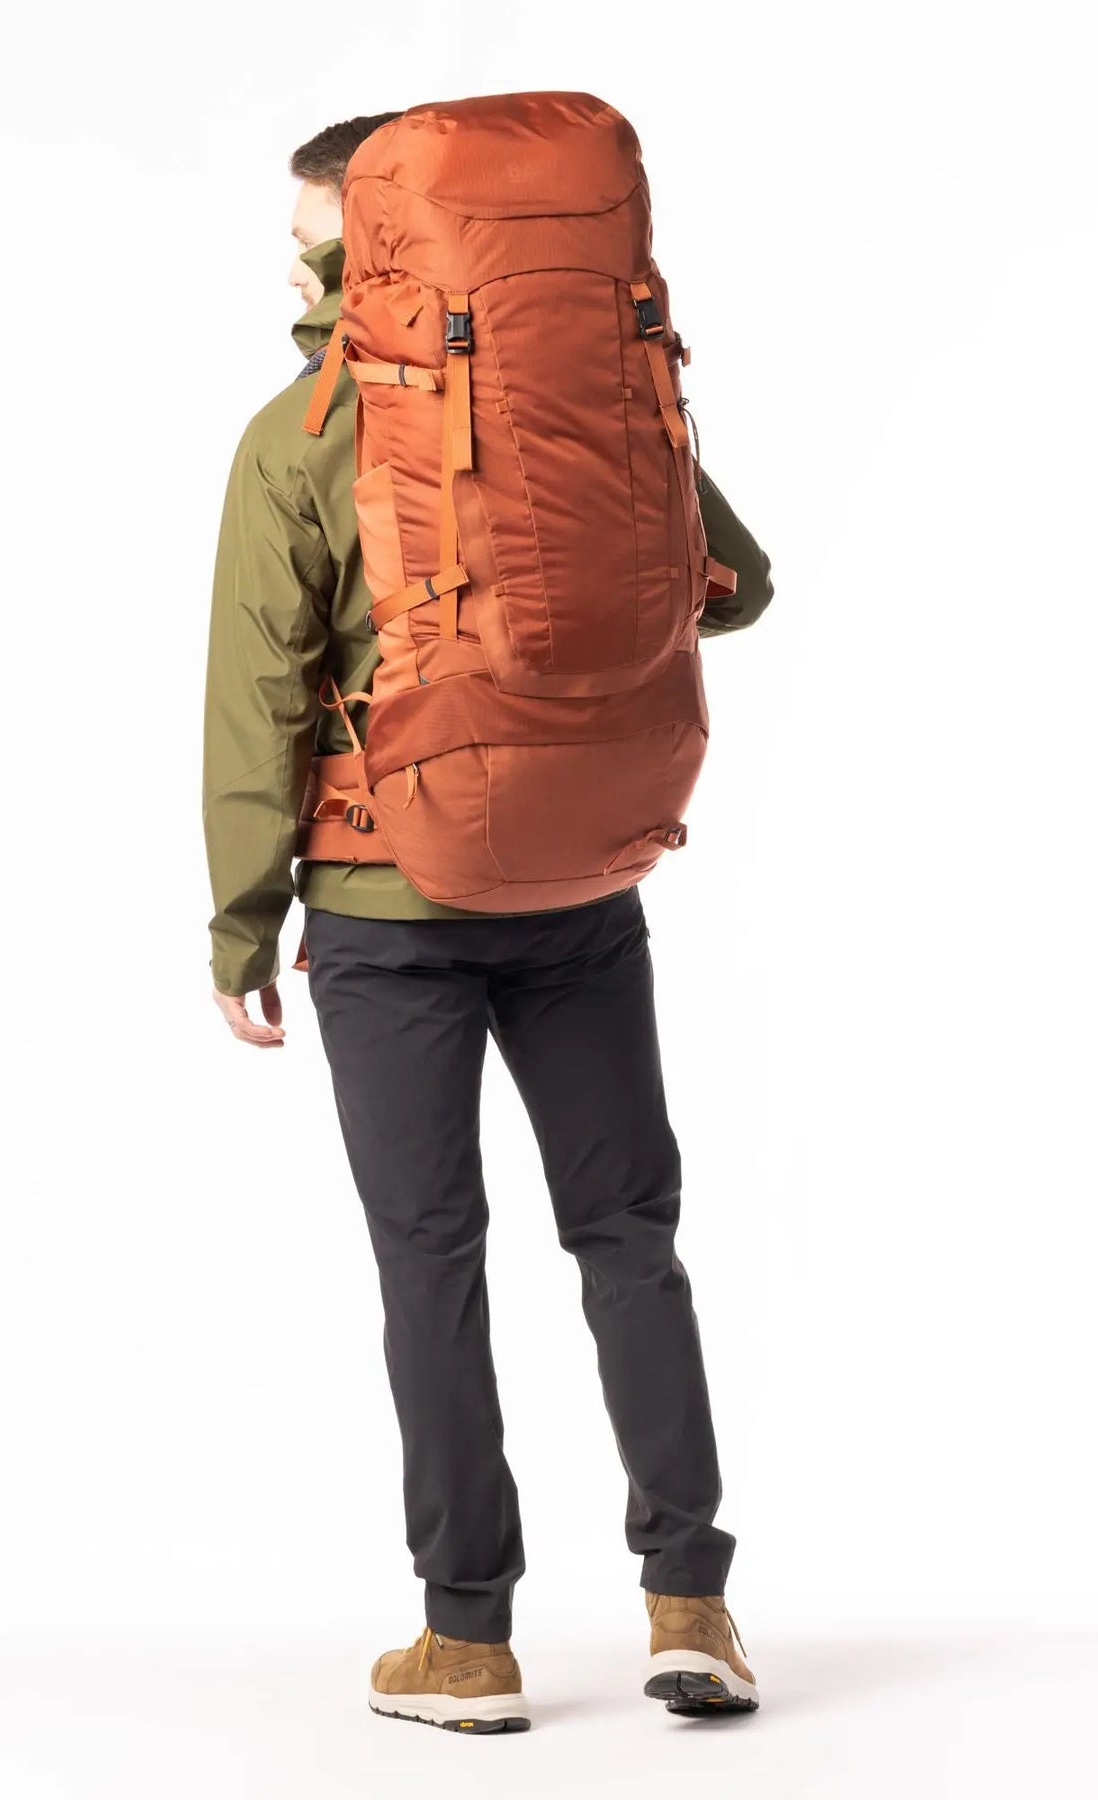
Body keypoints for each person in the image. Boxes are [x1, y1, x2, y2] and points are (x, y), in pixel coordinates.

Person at [202, 111, 774, 1732]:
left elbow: (256, 700)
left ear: (369, 239)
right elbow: (740, 583)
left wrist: (239, 923)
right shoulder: (599, 399)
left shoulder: (298, 433)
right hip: (585, 884)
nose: (294, 260)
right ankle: (691, 1605)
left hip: (386, 906)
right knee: (629, 1239)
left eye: (309, 231)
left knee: (430, 1258)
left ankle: (467, 1643)